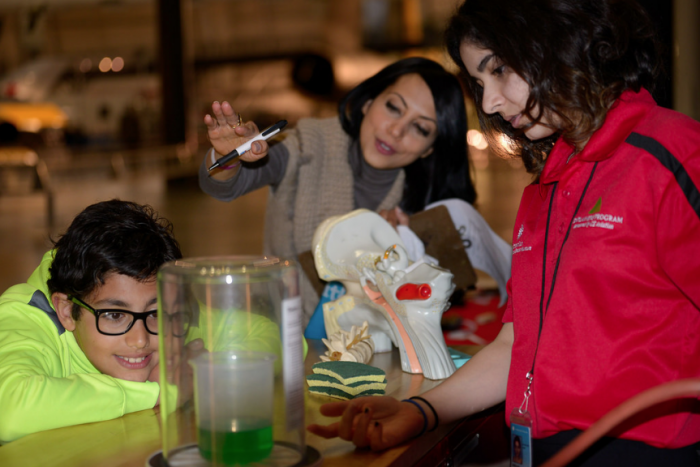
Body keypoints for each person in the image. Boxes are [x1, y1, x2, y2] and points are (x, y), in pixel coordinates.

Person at [306, 0, 700, 465]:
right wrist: (420, 411)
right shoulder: (544, 194)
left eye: (500, 70)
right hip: (540, 447)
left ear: (558, 41)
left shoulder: (671, 154)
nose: (489, 103)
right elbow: (515, 345)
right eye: (479, 83)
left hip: (645, 451)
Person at [198, 57, 500, 324]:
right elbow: (227, 185)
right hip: (282, 335)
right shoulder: (308, 145)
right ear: (368, 102)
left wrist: (410, 254)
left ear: (429, 149)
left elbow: (447, 292)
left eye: (420, 128)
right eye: (393, 107)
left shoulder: (427, 199)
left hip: (381, 351)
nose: (396, 131)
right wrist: (229, 158)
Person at [0, 200, 183, 444]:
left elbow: (247, 329)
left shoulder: (174, 315)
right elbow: (10, 412)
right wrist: (161, 391)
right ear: (66, 311)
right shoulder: (23, 316)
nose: (140, 340)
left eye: (156, 313)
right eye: (115, 316)